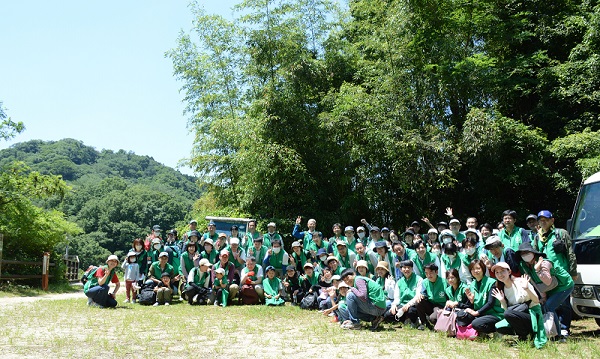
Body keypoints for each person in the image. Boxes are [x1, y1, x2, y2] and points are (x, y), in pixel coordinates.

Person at [530, 210, 578, 336]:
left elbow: (570, 253)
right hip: (546, 276)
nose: (543, 222)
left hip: (562, 273)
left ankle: (564, 328)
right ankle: (553, 329)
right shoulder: (537, 237)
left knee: (564, 302)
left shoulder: (560, 233)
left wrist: (573, 272)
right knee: (551, 302)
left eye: (545, 219)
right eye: (540, 220)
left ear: (552, 220)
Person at [516, 242, 574, 340]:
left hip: (564, 285)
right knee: (546, 307)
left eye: (527, 252)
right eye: (522, 253)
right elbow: (533, 281)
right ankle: (553, 333)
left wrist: (538, 269)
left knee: (549, 306)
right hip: (550, 289)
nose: (525, 255)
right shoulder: (524, 266)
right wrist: (542, 296)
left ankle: (558, 336)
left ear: (533, 252)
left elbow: (548, 281)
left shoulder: (544, 263)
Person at [491, 262, 546, 347]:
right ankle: (523, 335)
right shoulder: (502, 288)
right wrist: (502, 300)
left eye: (502, 271)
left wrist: (527, 288)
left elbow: (536, 300)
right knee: (499, 327)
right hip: (518, 316)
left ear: (509, 272)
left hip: (532, 315)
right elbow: (507, 311)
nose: (500, 274)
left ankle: (526, 335)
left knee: (508, 314)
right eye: (497, 272)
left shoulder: (521, 281)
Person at [464, 259, 504, 335]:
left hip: (493, 314)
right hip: (481, 314)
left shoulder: (492, 282)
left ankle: (497, 330)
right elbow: (474, 304)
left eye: (478, 268)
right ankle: (479, 332)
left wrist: (477, 313)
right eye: (472, 269)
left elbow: (490, 303)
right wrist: (471, 302)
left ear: (483, 269)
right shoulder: (472, 285)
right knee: (463, 316)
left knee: (476, 323)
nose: (475, 271)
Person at [388, 260, 423, 326]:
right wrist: (394, 305)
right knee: (388, 314)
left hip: (413, 305)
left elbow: (417, 296)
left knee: (411, 311)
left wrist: (408, 305)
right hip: (402, 304)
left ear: (412, 269)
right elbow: (397, 298)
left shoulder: (419, 279)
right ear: (401, 269)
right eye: (404, 267)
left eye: (409, 267)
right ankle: (407, 319)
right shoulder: (399, 282)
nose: (406, 269)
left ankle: (412, 319)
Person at [415, 263, 447, 330]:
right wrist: (421, 295)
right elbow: (423, 293)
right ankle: (423, 323)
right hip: (430, 304)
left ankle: (435, 320)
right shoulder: (425, 282)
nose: (429, 275)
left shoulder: (444, 282)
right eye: (426, 273)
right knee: (418, 301)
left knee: (433, 319)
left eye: (431, 272)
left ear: (436, 272)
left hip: (440, 305)